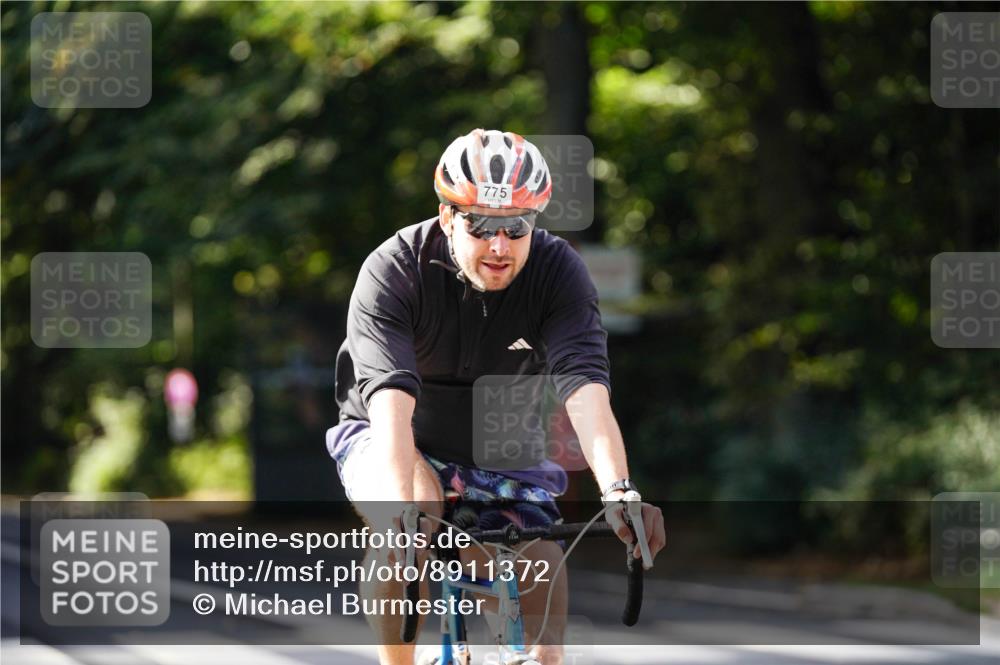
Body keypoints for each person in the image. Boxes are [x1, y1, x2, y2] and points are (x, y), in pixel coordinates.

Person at [326, 129, 666, 665]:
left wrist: (619, 489)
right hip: (393, 432)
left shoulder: (558, 273)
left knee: (541, 573)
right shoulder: (394, 270)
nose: (499, 246)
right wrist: (401, 513)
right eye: (481, 225)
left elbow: (585, 390)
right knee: (412, 514)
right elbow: (390, 403)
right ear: (446, 217)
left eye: (515, 227)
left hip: (498, 432)